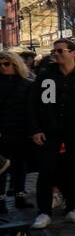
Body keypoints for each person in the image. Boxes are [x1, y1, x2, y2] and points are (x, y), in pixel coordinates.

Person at [28, 38, 75, 228]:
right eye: (54, 51)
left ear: (73, 53)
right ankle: (44, 211)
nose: (56, 54)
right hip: (50, 132)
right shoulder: (46, 77)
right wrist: (36, 129)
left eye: (60, 51)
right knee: (46, 171)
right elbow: (35, 105)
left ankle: (72, 208)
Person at [0, 50, 33, 213]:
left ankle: (20, 196)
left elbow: (31, 110)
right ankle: (1, 200)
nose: (2, 67)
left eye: (6, 63)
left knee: (20, 164)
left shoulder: (26, 83)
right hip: (2, 130)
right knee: (2, 166)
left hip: (21, 130)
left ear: (15, 64)